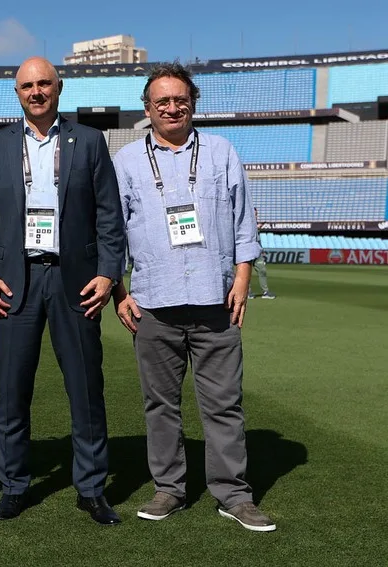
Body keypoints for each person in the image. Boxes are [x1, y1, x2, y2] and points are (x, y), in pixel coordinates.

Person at [111, 62, 275, 532]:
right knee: (160, 404)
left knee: (224, 404)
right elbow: (112, 233)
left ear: (193, 103)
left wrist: (242, 279)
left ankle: (234, 495)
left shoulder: (223, 152)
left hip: (214, 303)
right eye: (161, 101)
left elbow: (244, 223)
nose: (171, 107)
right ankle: (169, 488)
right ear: (148, 109)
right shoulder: (126, 162)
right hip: (153, 304)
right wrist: (119, 291)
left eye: (179, 99)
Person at [0, 56, 126, 525]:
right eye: (27, 86)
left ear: (58, 88)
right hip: (16, 282)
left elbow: (108, 214)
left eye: (44, 84)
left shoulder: (89, 140)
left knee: (85, 390)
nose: (36, 92)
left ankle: (91, 487)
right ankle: (15, 486)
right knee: (12, 393)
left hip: (75, 281)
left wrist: (108, 274)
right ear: (16, 93)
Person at [249, 208, 275, 299]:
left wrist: (261, 250)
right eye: (254, 214)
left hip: (257, 251)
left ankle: (266, 292)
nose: (256, 216)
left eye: (256, 214)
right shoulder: (245, 225)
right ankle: (247, 292)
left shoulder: (255, 225)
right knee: (246, 272)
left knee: (262, 270)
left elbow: (258, 239)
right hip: (248, 250)